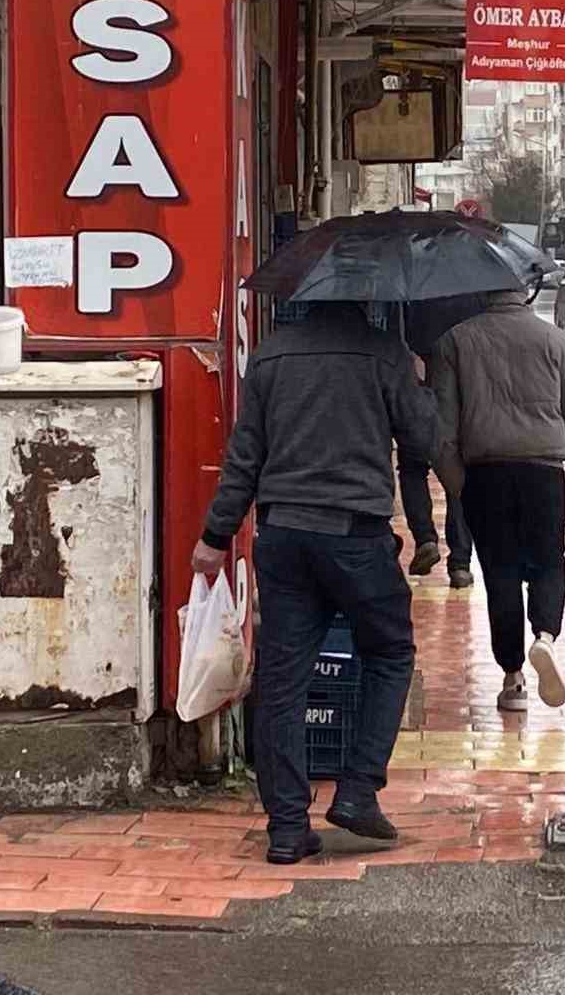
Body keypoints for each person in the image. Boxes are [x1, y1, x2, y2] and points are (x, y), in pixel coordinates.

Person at [193, 301, 436, 864]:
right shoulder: (383, 353)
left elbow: (244, 457)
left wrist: (214, 537)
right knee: (391, 651)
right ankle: (356, 791)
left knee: (282, 681)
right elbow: (424, 439)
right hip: (356, 538)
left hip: (282, 538)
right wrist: (417, 385)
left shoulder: (272, 354)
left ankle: (285, 828)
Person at [431, 288, 565, 712]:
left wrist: (458, 486)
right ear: (526, 292)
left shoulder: (454, 342)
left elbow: (441, 432)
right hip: (544, 475)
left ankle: (512, 679)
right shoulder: (559, 344)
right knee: (549, 562)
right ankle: (544, 637)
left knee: (500, 574)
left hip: (485, 475)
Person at [397, 294, 490, 587]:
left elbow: (394, 334)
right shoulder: (476, 288)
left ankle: (425, 538)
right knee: (459, 475)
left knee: (412, 467)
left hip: (418, 388)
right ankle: (460, 563)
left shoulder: (410, 283)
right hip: (459, 397)